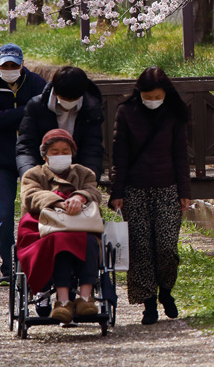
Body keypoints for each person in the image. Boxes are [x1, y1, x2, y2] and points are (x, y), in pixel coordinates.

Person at [109, 66, 191, 325]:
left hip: (167, 187)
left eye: (157, 96)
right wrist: (117, 191)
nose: (153, 101)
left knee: (167, 247)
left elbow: (181, 155)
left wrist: (184, 192)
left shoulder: (174, 114)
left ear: (165, 93)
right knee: (141, 248)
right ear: (139, 93)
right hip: (135, 189)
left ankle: (166, 292)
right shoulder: (126, 112)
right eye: (148, 96)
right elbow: (119, 155)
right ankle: (148, 305)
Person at [18, 129, 102, 325]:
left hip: (80, 225)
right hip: (43, 229)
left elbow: (94, 191)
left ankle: (85, 297)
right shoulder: (33, 174)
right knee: (60, 241)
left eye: (65, 150)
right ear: (44, 154)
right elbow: (31, 196)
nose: (60, 154)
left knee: (90, 240)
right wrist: (58, 202)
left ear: (73, 152)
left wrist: (80, 197)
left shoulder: (84, 173)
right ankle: (63, 301)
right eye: (54, 151)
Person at [0, 43, 47, 285]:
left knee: (34, 211)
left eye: (13, 65)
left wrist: (5, 113)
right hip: (2, 159)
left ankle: (33, 263)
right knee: (4, 215)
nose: (9, 69)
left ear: (21, 64)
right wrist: (27, 110)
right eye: (5, 65)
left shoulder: (38, 83)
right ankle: (8, 267)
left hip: (33, 156)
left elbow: (44, 112)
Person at [17, 66, 104, 181]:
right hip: (43, 172)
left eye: (74, 99)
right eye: (65, 99)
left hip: (77, 172)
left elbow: (92, 148)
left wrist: (88, 178)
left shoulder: (91, 109)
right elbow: (26, 146)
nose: (69, 103)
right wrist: (31, 176)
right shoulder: (36, 106)